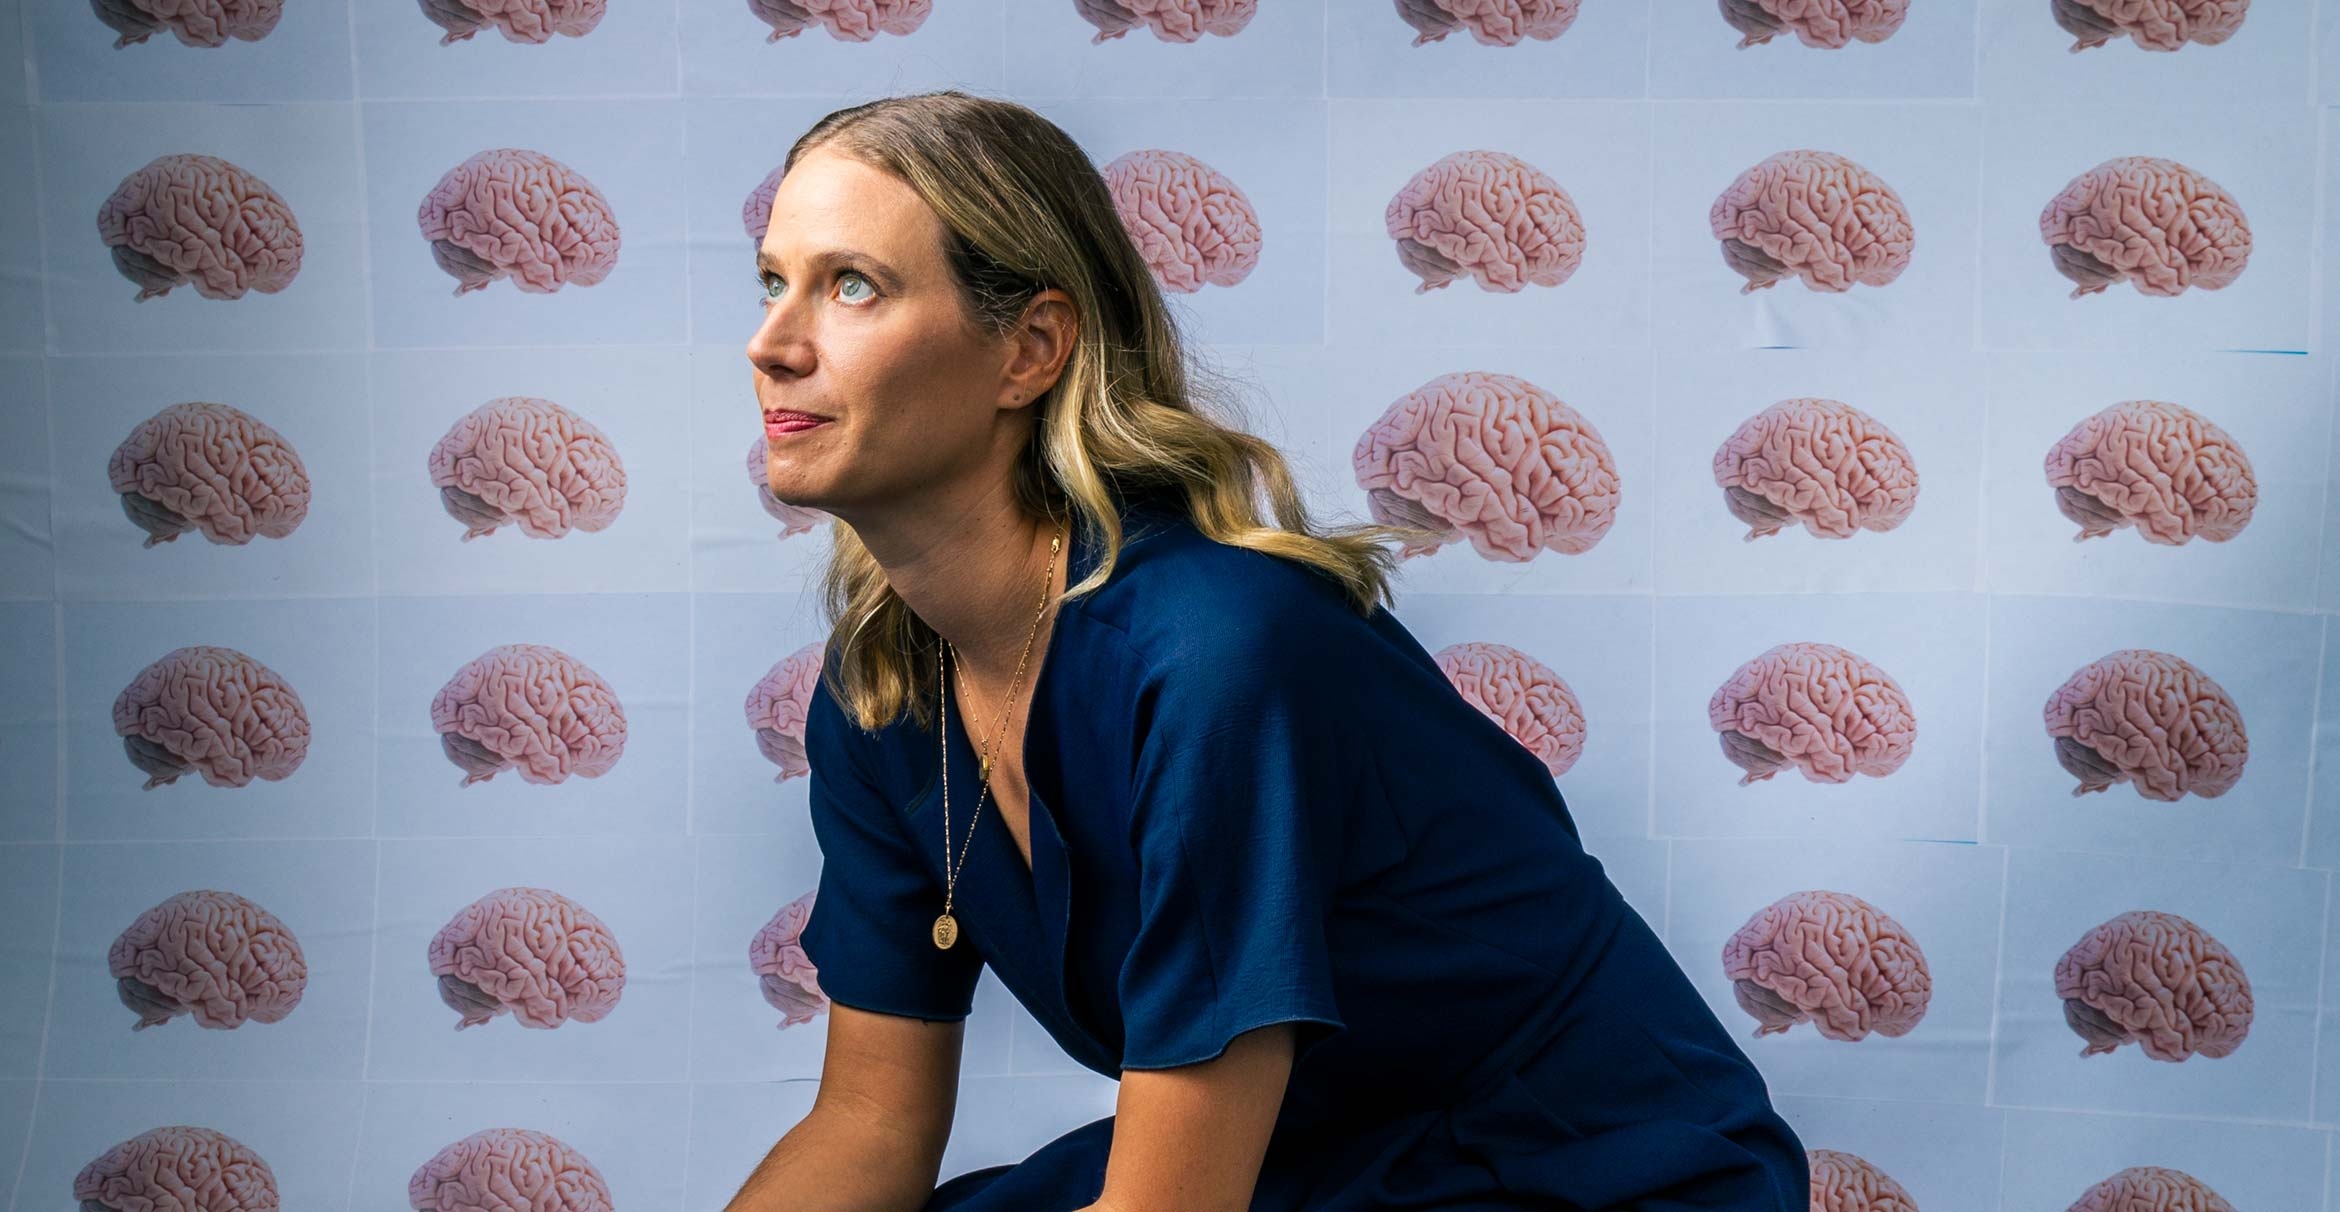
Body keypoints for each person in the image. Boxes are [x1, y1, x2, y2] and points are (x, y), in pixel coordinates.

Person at [725, 89, 1812, 1212]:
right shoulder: (886, 689)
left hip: (1586, 1174)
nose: (772, 344)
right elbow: (871, 1122)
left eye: (852, 285)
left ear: (1030, 350)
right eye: (773, 281)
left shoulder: (1216, 654)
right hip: (1319, 1166)